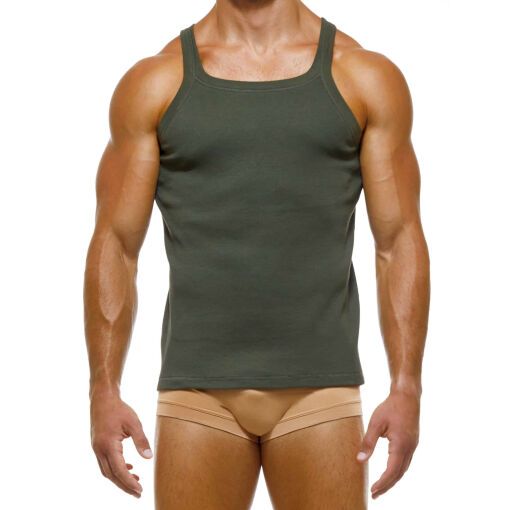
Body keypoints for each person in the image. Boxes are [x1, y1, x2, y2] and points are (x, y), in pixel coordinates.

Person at [83, 1, 430, 508]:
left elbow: (398, 240)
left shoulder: (362, 77)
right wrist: (103, 390)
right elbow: (116, 243)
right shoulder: (156, 82)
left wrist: (407, 388)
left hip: (322, 391)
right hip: (197, 394)